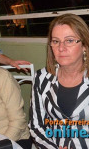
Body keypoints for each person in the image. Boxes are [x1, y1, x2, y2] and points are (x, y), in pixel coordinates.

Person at [29, 14, 89, 148]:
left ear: (84, 45)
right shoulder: (41, 78)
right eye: (56, 41)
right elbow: (36, 126)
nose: (61, 48)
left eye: (69, 40)